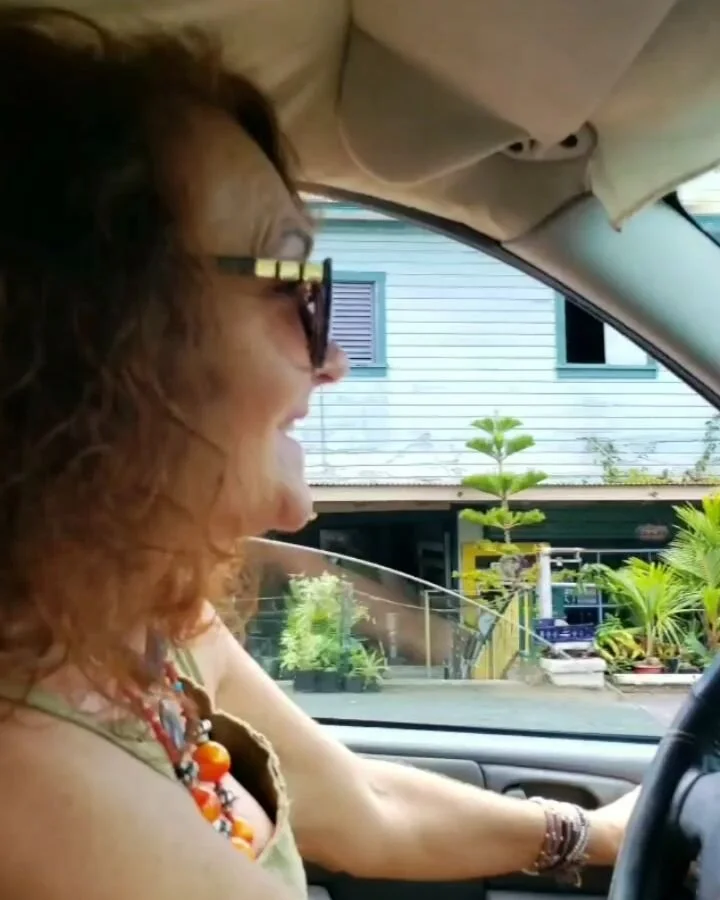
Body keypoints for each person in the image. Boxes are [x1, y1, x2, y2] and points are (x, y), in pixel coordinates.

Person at [0, 8, 635, 900]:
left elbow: (369, 807)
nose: (332, 357)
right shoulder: (31, 788)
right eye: (291, 288)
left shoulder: (146, 627)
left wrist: (594, 834)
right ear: (92, 331)